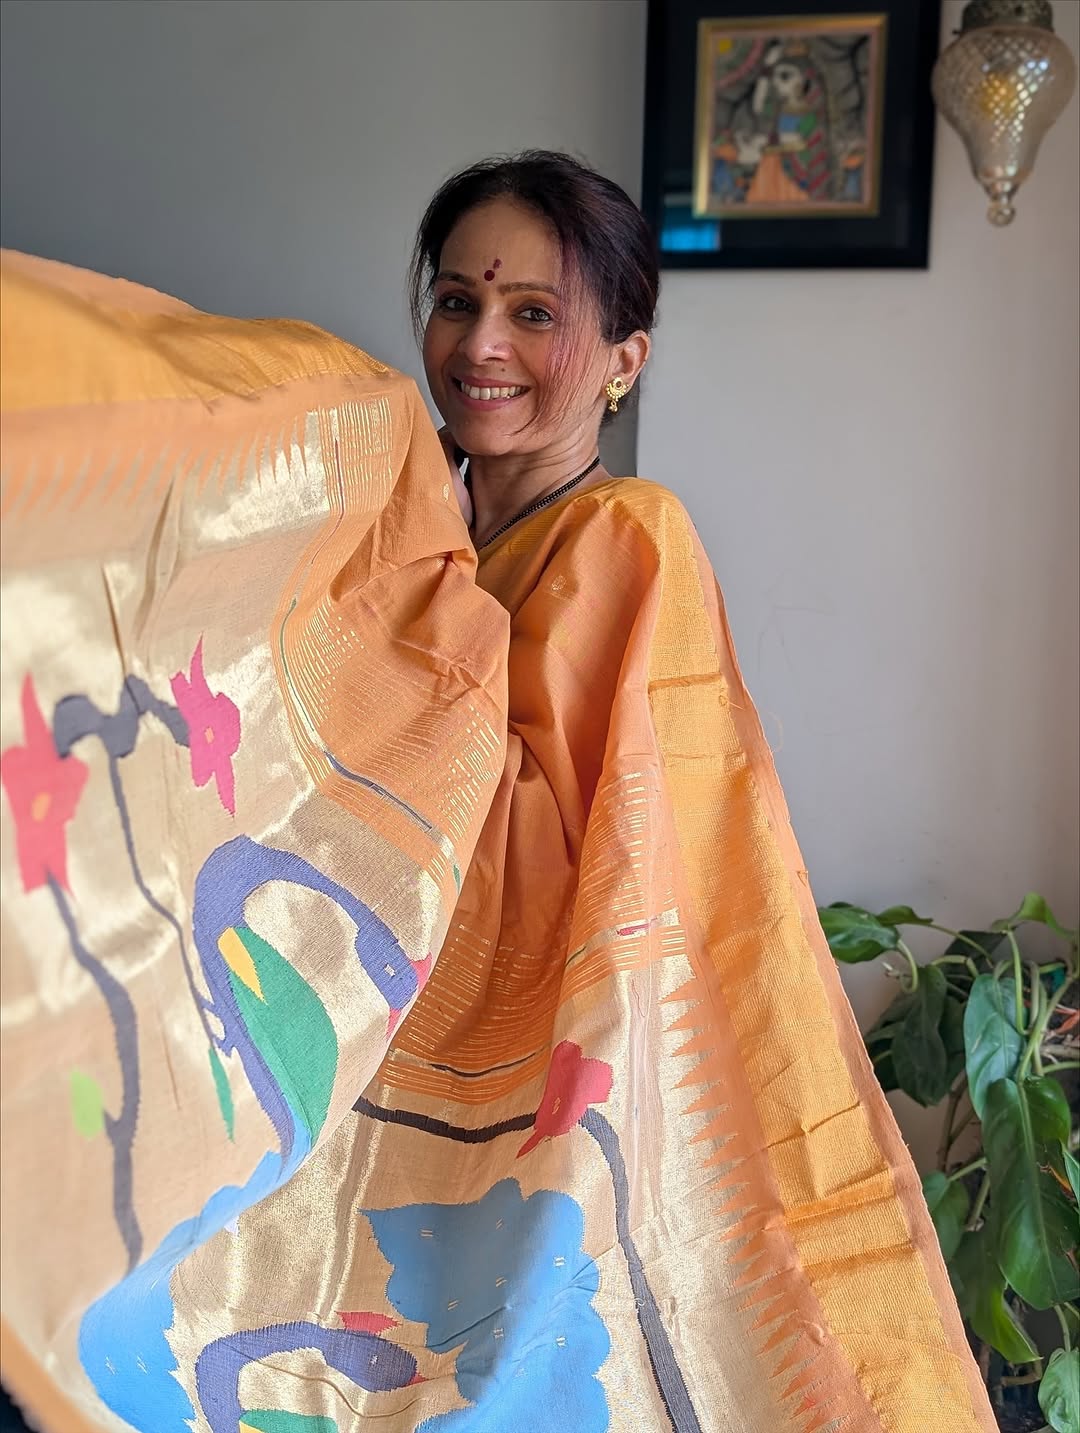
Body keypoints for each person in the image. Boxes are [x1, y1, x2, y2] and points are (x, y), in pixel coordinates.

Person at [0, 156, 994, 1432]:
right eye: (459, 300)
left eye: (536, 313)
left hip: (513, 1124)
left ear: (625, 358)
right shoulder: (402, 537)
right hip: (347, 1065)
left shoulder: (629, 539)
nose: (482, 344)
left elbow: (548, 857)